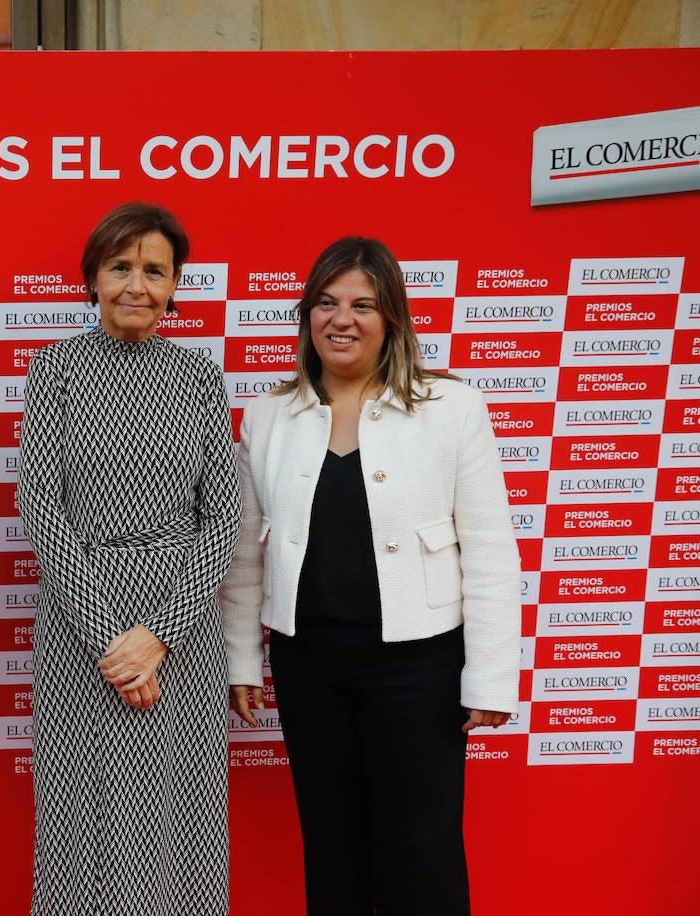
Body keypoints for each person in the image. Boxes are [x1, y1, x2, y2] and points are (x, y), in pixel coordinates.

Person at [221, 236, 520, 915]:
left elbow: (491, 551)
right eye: (325, 303)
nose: (341, 319)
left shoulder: (452, 408)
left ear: (392, 318)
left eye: (362, 304)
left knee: (424, 853)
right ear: (306, 316)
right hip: (309, 664)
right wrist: (243, 660)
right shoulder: (270, 413)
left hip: (419, 670)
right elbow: (244, 554)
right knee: (331, 849)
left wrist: (492, 675)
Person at [18, 202, 242, 915]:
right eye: (120, 267)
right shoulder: (53, 370)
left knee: (179, 815)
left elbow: (225, 517)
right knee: (79, 816)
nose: (136, 285)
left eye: (154, 270)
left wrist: (157, 636)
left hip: (181, 630)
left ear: (176, 284)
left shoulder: (200, 378)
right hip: (83, 627)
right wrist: (110, 639)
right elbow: (40, 505)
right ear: (92, 278)